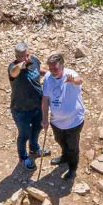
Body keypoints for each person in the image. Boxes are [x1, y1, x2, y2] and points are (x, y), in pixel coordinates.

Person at [40, 52, 85, 181]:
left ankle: (72, 168)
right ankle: (64, 157)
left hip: (73, 122)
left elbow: (79, 80)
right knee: (60, 140)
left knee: (72, 146)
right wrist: (45, 119)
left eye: (55, 68)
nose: (52, 71)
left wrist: (73, 80)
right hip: (56, 121)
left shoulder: (71, 75)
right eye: (50, 68)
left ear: (62, 66)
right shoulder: (48, 77)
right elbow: (45, 100)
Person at [8, 42, 49, 170]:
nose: (26, 58)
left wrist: (49, 73)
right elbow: (13, 73)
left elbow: (38, 70)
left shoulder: (34, 60)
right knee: (24, 134)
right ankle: (23, 158)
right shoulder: (13, 67)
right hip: (21, 110)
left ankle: (34, 149)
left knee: (37, 129)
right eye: (22, 57)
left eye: (27, 55)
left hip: (37, 105)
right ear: (17, 57)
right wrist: (21, 64)